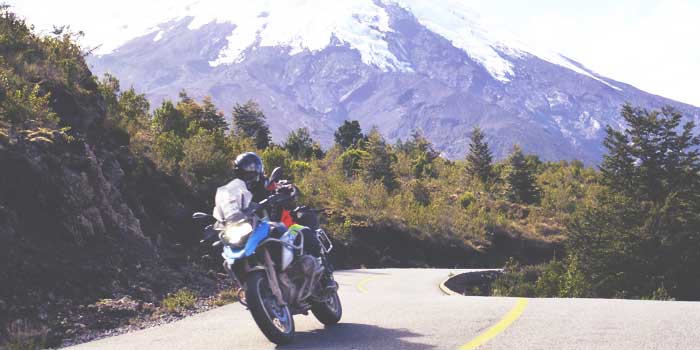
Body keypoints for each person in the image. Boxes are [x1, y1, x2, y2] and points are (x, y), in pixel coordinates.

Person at [232, 152, 321, 256]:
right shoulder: (238, 195)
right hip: (254, 233)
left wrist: (287, 189)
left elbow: (288, 188)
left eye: (248, 175)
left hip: (284, 227)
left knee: (303, 232)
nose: (245, 179)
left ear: (257, 172)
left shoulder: (269, 185)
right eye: (242, 175)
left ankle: (317, 260)